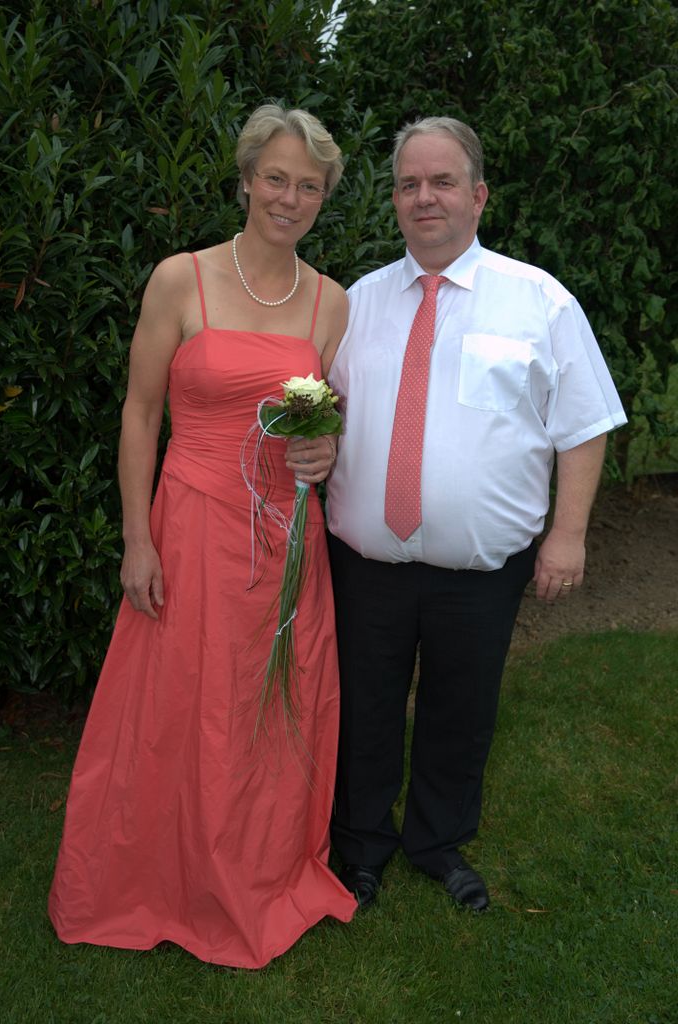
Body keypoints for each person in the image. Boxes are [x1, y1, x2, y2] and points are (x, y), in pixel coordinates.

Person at [48, 104, 356, 968]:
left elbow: (321, 426)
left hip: (286, 541)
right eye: (276, 178)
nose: (288, 198)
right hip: (188, 529)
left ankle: (256, 873)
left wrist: (325, 451)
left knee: (267, 712)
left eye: (308, 186)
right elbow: (141, 413)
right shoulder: (179, 279)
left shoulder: (330, 302)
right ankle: (157, 878)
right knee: (176, 708)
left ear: (323, 197)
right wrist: (135, 540)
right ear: (246, 180)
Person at [326, 116, 627, 911]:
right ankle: (360, 845)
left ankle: (437, 841)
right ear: (395, 200)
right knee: (363, 708)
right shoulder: (356, 305)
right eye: (409, 184)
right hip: (366, 563)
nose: (424, 197)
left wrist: (568, 535)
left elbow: (584, 424)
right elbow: (324, 414)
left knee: (462, 709)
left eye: (442, 181)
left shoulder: (539, 301)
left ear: (479, 195)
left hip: (481, 570)